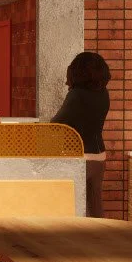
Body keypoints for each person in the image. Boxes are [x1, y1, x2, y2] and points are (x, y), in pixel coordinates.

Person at [52, 51, 111, 217]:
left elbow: (56, 124)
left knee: (76, 206)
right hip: (99, 156)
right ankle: (101, 238)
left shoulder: (76, 95)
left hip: (81, 156)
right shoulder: (104, 94)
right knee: (95, 204)